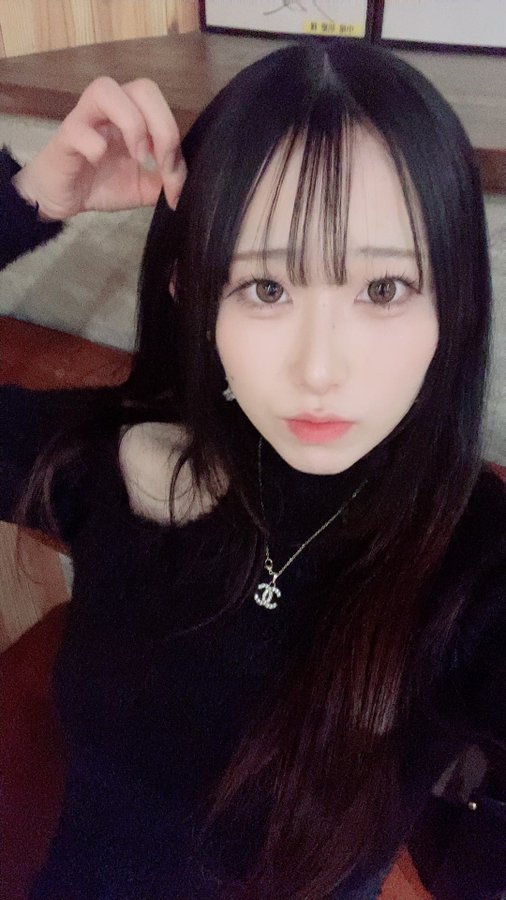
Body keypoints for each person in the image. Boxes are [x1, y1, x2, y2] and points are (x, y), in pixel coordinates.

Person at [0, 38, 505, 900]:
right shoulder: (116, 462)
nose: (320, 368)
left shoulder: (474, 563)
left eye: (383, 290)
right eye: (266, 289)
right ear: (192, 297)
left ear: (452, 305)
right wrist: (24, 202)